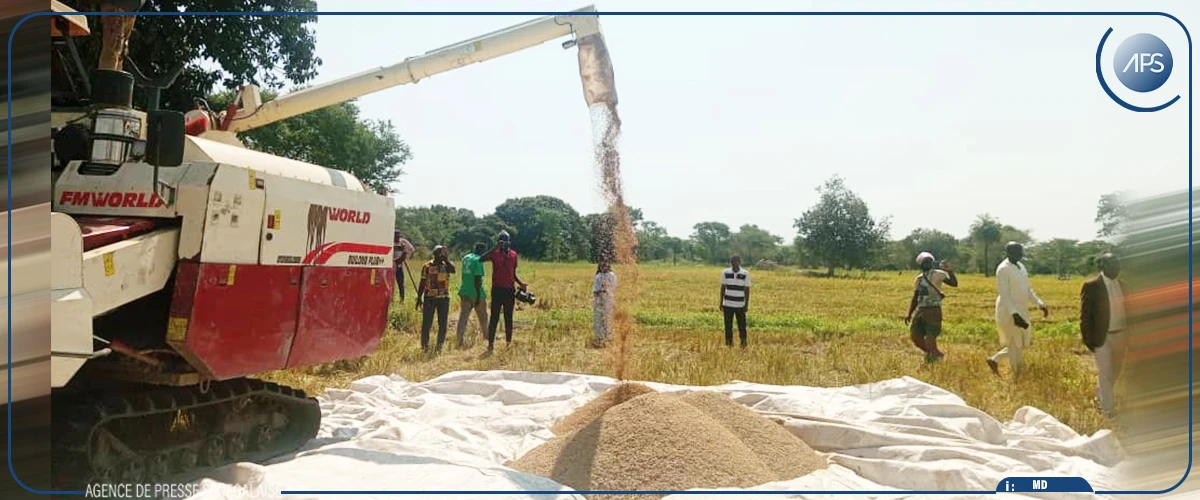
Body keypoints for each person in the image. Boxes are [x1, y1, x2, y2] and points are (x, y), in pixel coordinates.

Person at [987, 242, 1049, 377]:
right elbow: (1004, 293)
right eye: (1018, 252)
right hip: (1008, 310)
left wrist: (1040, 304)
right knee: (1015, 342)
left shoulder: (1021, 266)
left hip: (1022, 309)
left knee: (1024, 341)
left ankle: (994, 359)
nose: (1021, 254)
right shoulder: (1003, 269)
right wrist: (1014, 314)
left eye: (1021, 251)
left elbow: (1027, 289)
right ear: (1009, 252)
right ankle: (1017, 374)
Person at [1080, 252, 1128, 417]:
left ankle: (1100, 396)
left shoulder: (1124, 285)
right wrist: (1089, 340)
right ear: (1102, 266)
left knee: (1115, 371)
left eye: (1118, 263)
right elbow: (1085, 316)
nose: (1117, 267)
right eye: (1112, 264)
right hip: (1102, 337)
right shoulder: (1092, 286)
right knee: (1105, 372)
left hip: (1121, 334)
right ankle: (1107, 410)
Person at [904, 252, 958, 363]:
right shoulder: (918, 279)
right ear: (920, 264)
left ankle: (934, 356)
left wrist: (949, 271)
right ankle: (933, 353)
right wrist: (909, 313)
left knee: (930, 337)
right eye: (925, 262)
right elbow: (915, 296)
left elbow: (954, 283)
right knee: (915, 336)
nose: (927, 263)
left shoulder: (938, 274)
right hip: (921, 309)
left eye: (929, 261)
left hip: (934, 309)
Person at [481, 230, 527, 353]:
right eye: (501, 241)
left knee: (508, 317)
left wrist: (521, 283)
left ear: (509, 242)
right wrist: (495, 247)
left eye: (506, 241)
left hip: (509, 290)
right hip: (497, 290)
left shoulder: (513, 255)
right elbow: (481, 258)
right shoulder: (494, 253)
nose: (504, 243)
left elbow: (513, 273)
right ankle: (490, 344)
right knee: (494, 317)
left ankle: (508, 343)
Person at [415, 245, 455, 353]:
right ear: (434, 254)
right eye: (439, 252)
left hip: (444, 297)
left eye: (442, 252)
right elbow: (422, 282)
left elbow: (454, 270)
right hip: (430, 297)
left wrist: (446, 259)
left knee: (443, 323)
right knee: (427, 323)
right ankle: (424, 346)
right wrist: (419, 297)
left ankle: (439, 346)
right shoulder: (427, 266)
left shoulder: (446, 265)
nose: (441, 254)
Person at [455, 243, 489, 349]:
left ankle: (459, 340)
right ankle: (487, 337)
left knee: (463, 317)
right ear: (482, 251)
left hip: (464, 290)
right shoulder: (479, 260)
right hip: (475, 292)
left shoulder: (466, 257)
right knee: (483, 316)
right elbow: (478, 279)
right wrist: (479, 296)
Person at [719, 255, 751, 348]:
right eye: (733, 261)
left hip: (740, 304)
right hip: (728, 303)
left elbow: (747, 289)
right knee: (728, 325)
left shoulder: (745, 273)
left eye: (736, 261)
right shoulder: (725, 272)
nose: (734, 263)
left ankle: (743, 342)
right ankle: (729, 343)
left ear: (740, 262)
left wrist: (746, 304)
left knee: (742, 325)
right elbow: (723, 288)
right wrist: (721, 302)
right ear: (730, 262)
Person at [592, 260, 618, 347]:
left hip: (608, 299)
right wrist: (596, 292)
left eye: (605, 265)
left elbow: (614, 287)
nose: (603, 267)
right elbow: (595, 287)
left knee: (608, 317)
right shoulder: (598, 276)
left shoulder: (612, 275)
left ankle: (608, 338)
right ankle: (599, 337)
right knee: (598, 318)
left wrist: (605, 290)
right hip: (598, 299)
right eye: (602, 266)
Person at [393, 233, 415, 302]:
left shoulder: (403, 242)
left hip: (399, 266)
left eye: (398, 237)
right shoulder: (390, 241)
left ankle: (402, 299)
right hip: (391, 266)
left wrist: (406, 256)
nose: (397, 238)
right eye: (396, 237)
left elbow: (411, 249)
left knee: (400, 283)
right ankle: (391, 299)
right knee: (391, 284)